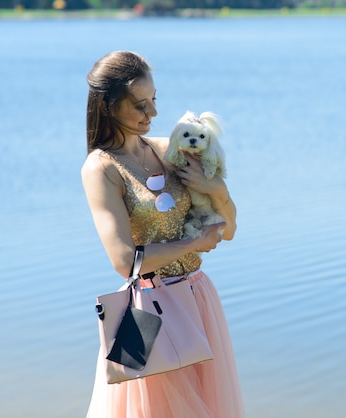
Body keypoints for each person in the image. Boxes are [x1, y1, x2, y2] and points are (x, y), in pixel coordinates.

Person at [81, 50, 245, 418]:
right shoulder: (101, 167)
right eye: (140, 105)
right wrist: (194, 243)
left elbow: (230, 230)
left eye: (154, 100)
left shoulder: (168, 150)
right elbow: (125, 262)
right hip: (145, 312)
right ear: (108, 106)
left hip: (197, 296)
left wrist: (215, 188)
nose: (152, 113)